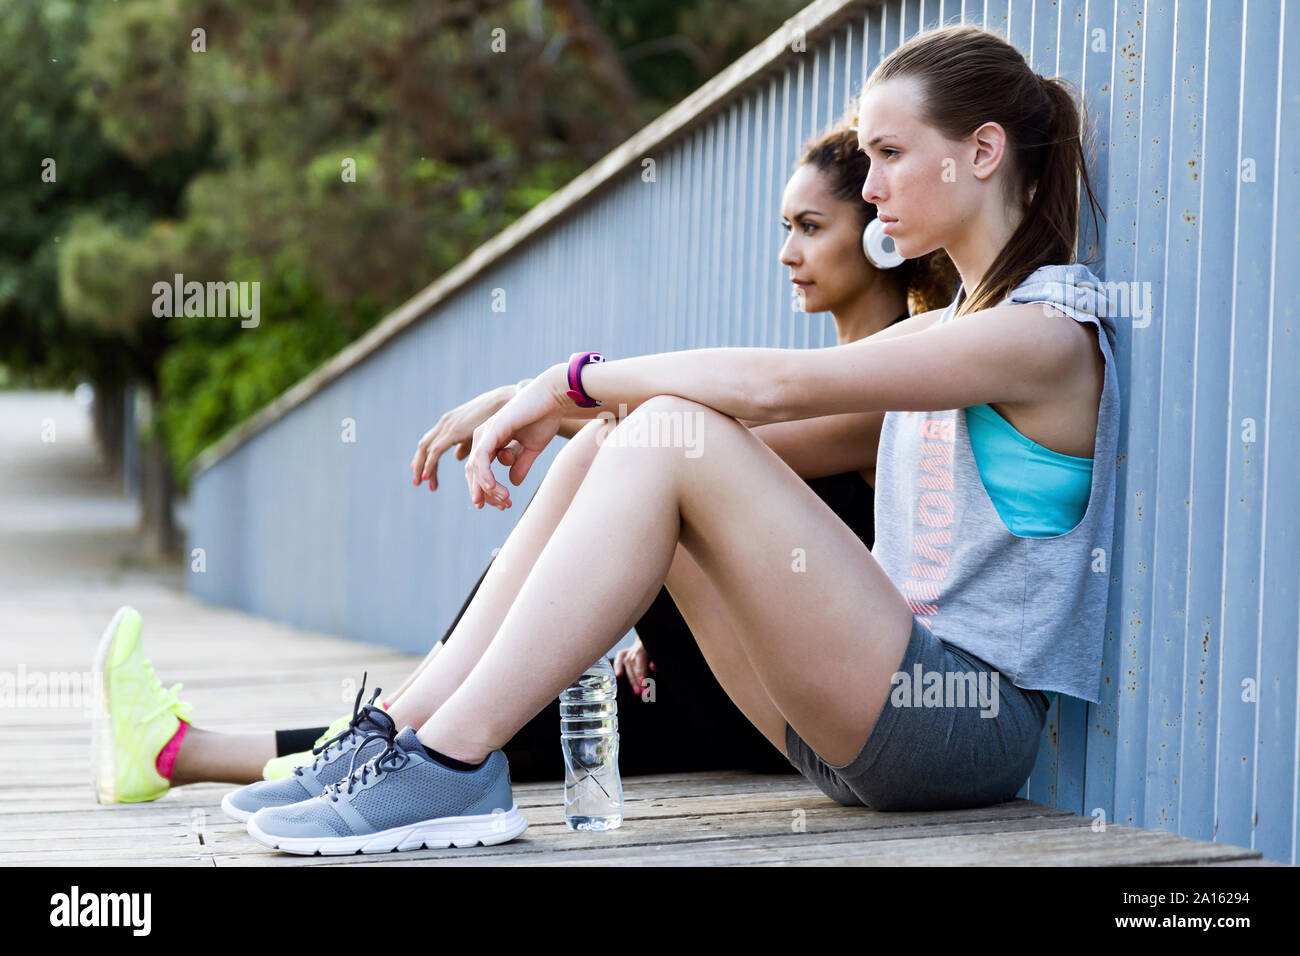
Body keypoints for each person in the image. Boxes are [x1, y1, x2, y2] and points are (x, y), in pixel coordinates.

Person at [230, 22, 1118, 854]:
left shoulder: (1041, 337)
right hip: (852, 724)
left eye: (890, 154)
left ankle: (454, 763)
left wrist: (564, 381)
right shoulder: (952, 331)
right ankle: (404, 732)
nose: (873, 185)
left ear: (984, 151)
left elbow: (772, 388)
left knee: (663, 434)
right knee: (620, 441)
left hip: (961, 728)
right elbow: (731, 418)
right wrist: (541, 404)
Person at [91, 121, 956, 805]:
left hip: (775, 711)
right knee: (487, 694)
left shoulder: (885, 387)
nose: (786, 253)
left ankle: (267, 754)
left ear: (882, 237)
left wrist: (528, 399)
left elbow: (680, 451)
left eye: (810, 228)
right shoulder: (822, 379)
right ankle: (230, 753)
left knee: (491, 703)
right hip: (726, 675)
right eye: (783, 228)